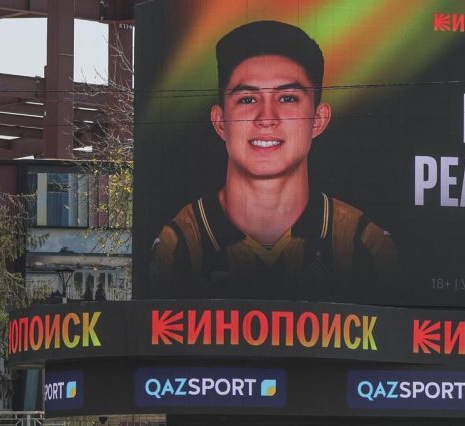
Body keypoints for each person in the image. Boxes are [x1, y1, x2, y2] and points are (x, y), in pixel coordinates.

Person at [150, 20, 396, 299]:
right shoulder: (181, 243)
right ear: (220, 122)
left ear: (318, 119)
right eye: (247, 100)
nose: (266, 118)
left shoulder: (363, 243)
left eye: (288, 98)